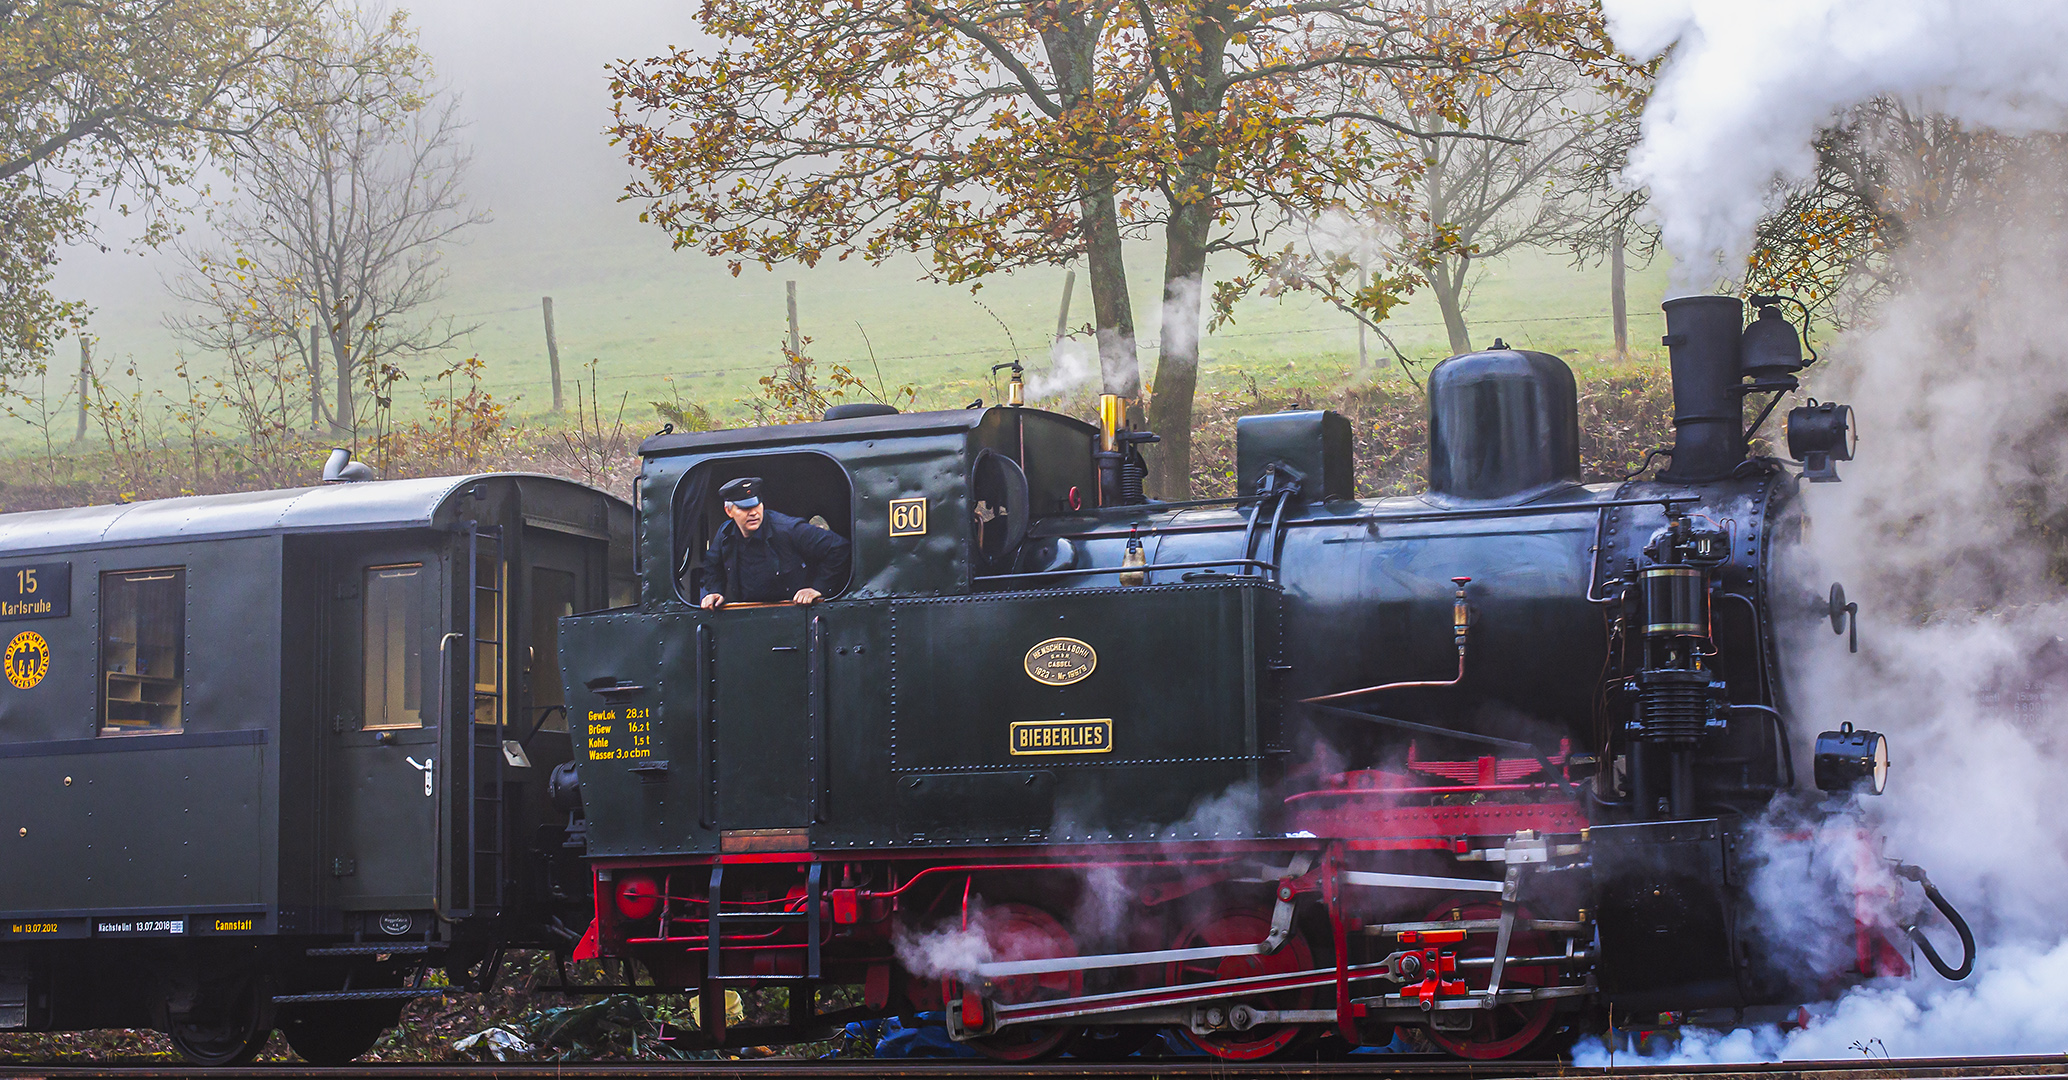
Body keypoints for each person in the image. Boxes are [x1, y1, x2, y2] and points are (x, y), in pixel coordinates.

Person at [698, 477, 851, 609]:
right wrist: (714, 592)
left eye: (756, 505)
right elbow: (712, 566)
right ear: (729, 511)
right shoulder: (725, 534)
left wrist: (818, 588)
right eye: (744, 508)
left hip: (792, 612)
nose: (753, 513)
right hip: (747, 612)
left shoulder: (788, 529)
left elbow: (839, 548)